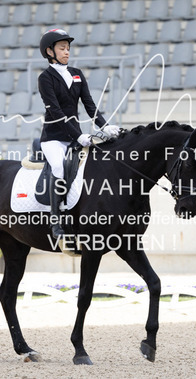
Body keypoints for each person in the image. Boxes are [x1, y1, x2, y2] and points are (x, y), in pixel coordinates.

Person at [37, 28, 120, 255]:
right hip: (53, 139)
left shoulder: (77, 74)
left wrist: (104, 126)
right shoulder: (45, 78)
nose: (67, 52)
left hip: (75, 138)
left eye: (68, 48)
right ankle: (56, 221)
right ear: (50, 51)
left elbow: (89, 105)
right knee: (58, 167)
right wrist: (79, 135)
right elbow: (55, 112)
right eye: (62, 48)